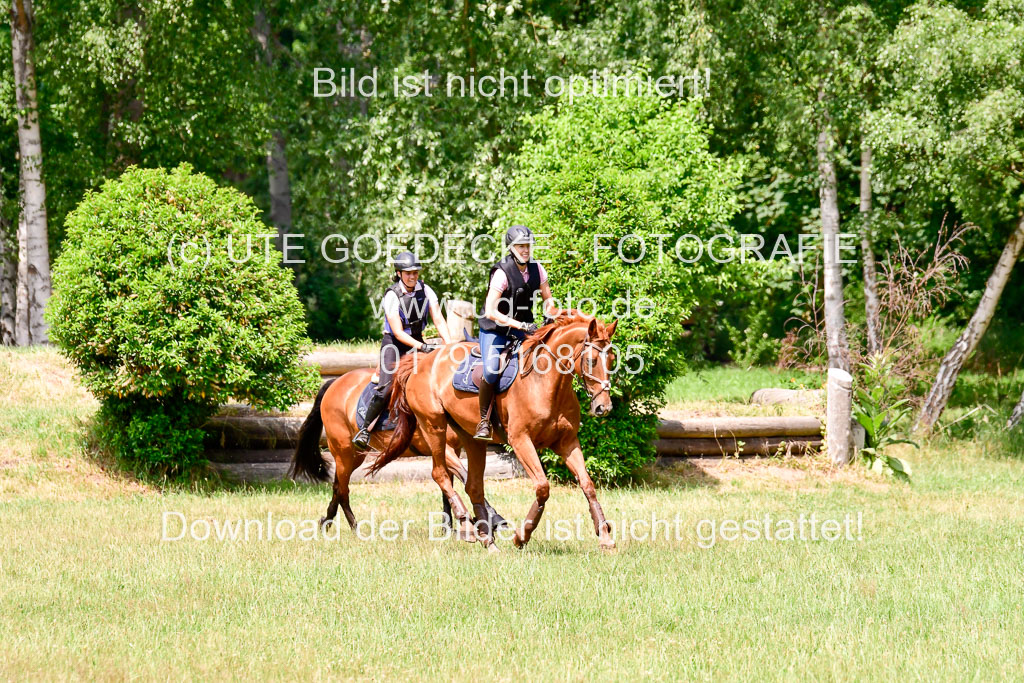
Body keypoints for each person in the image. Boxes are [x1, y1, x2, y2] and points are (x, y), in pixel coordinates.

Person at [353, 251, 453, 450]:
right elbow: (398, 332)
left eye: (415, 272)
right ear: (399, 273)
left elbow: (439, 319)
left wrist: (449, 345)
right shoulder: (392, 295)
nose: (412, 276)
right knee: (385, 388)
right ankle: (364, 429)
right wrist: (424, 347)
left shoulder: (426, 290)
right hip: (394, 345)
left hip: (417, 341)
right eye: (408, 273)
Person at [475, 225, 558, 440]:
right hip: (495, 329)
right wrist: (521, 325)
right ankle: (483, 420)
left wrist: (549, 314)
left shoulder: (538, 269)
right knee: (492, 369)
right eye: (521, 246)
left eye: (528, 245)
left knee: (547, 356)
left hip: (525, 327)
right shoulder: (502, 273)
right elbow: (491, 310)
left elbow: (548, 299)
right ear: (511, 248)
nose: (525, 250)